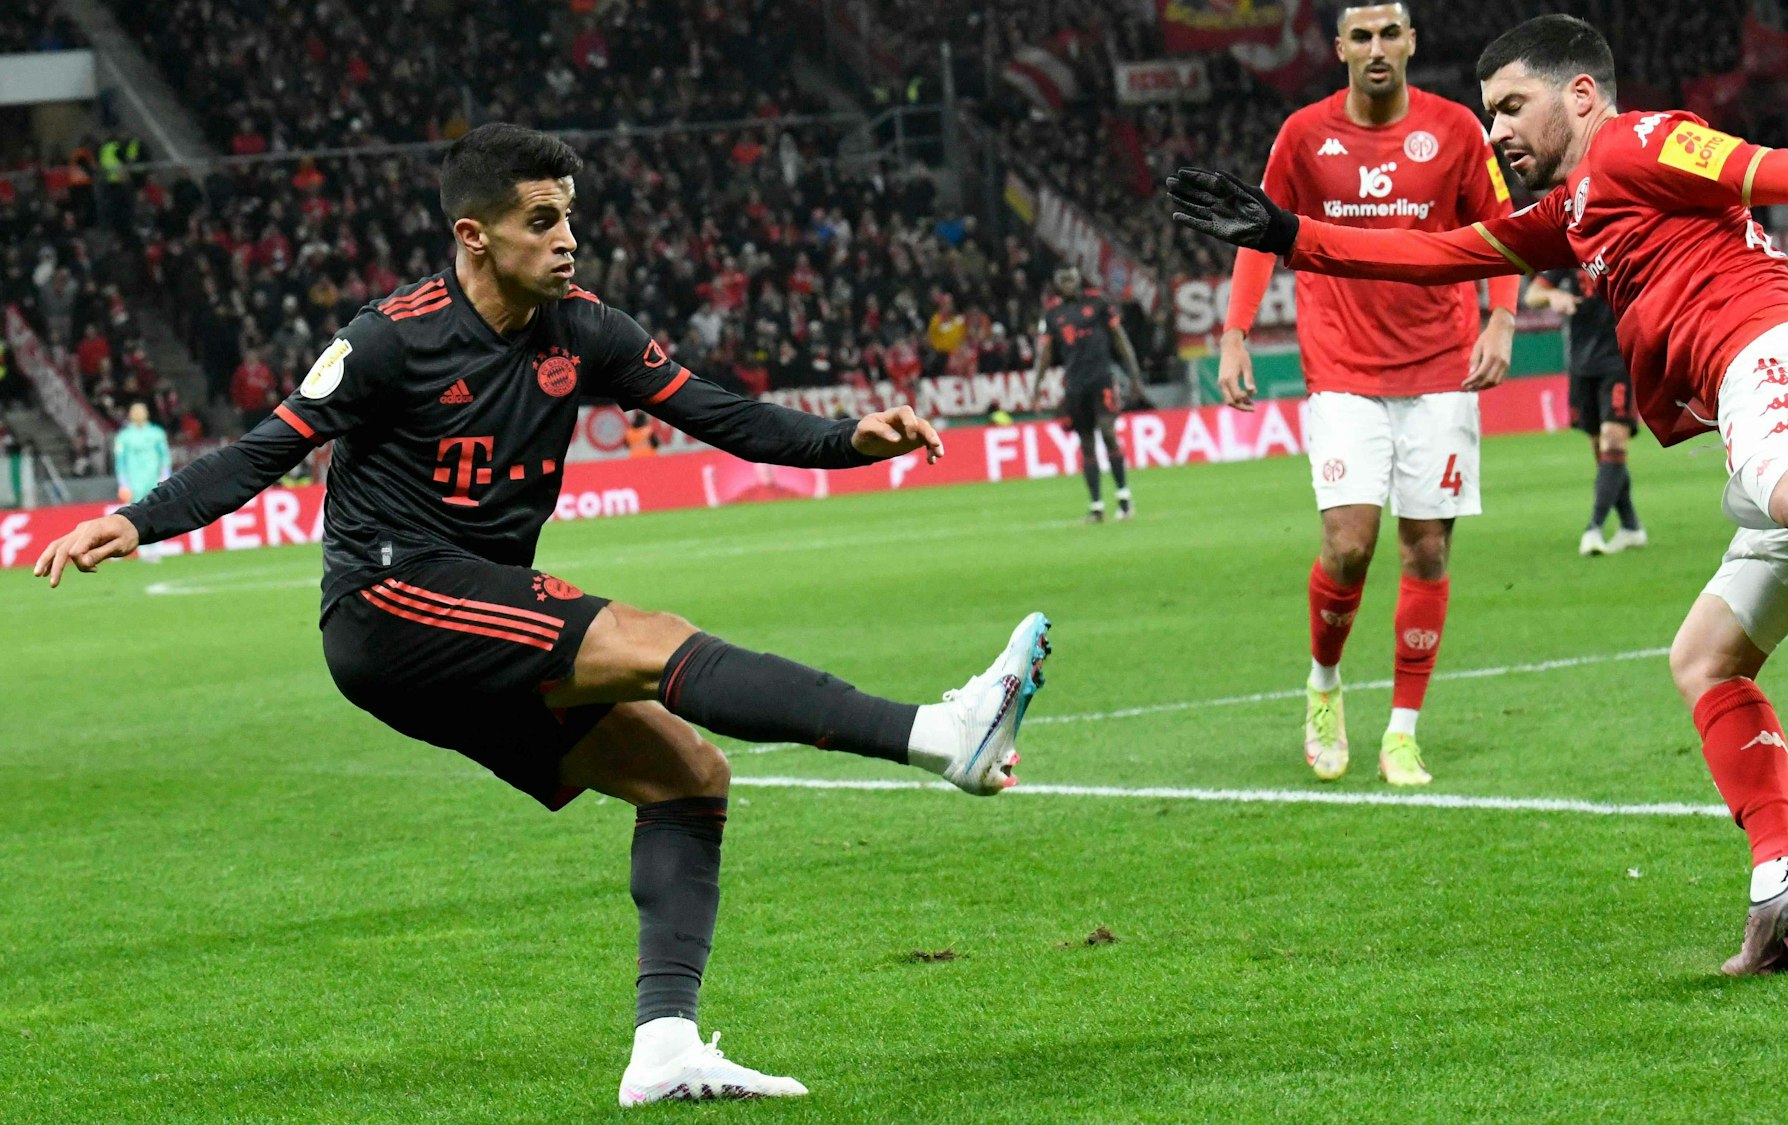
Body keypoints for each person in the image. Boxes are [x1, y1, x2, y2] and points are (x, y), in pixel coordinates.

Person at [36, 124, 1055, 1102]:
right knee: (647, 639)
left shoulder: (588, 329)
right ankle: (940, 736)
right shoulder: (390, 339)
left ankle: (663, 1049)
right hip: (388, 600)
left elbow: (721, 414)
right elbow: (266, 446)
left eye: (567, 215)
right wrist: (136, 519)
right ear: (472, 234)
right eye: (537, 220)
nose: (564, 238)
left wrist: (847, 439)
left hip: (467, 616)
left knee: (685, 774)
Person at [1167, 14, 1788, 976]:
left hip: (1776, 357)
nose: (1498, 132)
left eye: (1513, 106)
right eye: (1488, 115)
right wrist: (1288, 234)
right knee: (1706, 659)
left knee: (1782, 479)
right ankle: (1780, 881)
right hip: (1768, 400)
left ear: (1581, 95)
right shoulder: (1573, 214)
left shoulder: (1642, 142)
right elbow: (1443, 254)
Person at [1216, 1, 1521, 786]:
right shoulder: (1302, 135)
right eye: (1363, 36)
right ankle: (1324, 685)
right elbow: (1261, 230)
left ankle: (1403, 731)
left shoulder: (1456, 129)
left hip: (1441, 367)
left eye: (1391, 34)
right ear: (1339, 48)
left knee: (1427, 546)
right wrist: (1235, 331)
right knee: (1350, 545)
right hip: (1343, 369)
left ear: (1412, 42)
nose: (1378, 48)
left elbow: (1500, 228)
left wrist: (1503, 319)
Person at [1525, 270, 1644, 554]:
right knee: (1600, 449)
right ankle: (1631, 527)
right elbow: (1532, 295)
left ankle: (1594, 528)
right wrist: (1554, 295)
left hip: (1619, 361)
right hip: (1582, 364)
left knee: (1613, 440)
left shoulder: (1621, 250)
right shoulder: (1566, 254)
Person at [1029, 266, 1145, 523]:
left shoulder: (1099, 303)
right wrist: (1036, 387)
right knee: (1086, 444)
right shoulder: (1053, 315)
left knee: (1107, 432)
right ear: (1057, 285)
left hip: (1101, 380)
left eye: (1071, 278)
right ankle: (1097, 507)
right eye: (1063, 280)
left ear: (1079, 279)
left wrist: (1135, 376)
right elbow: (1046, 354)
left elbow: (1120, 340)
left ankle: (1124, 499)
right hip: (1075, 386)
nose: (1068, 283)